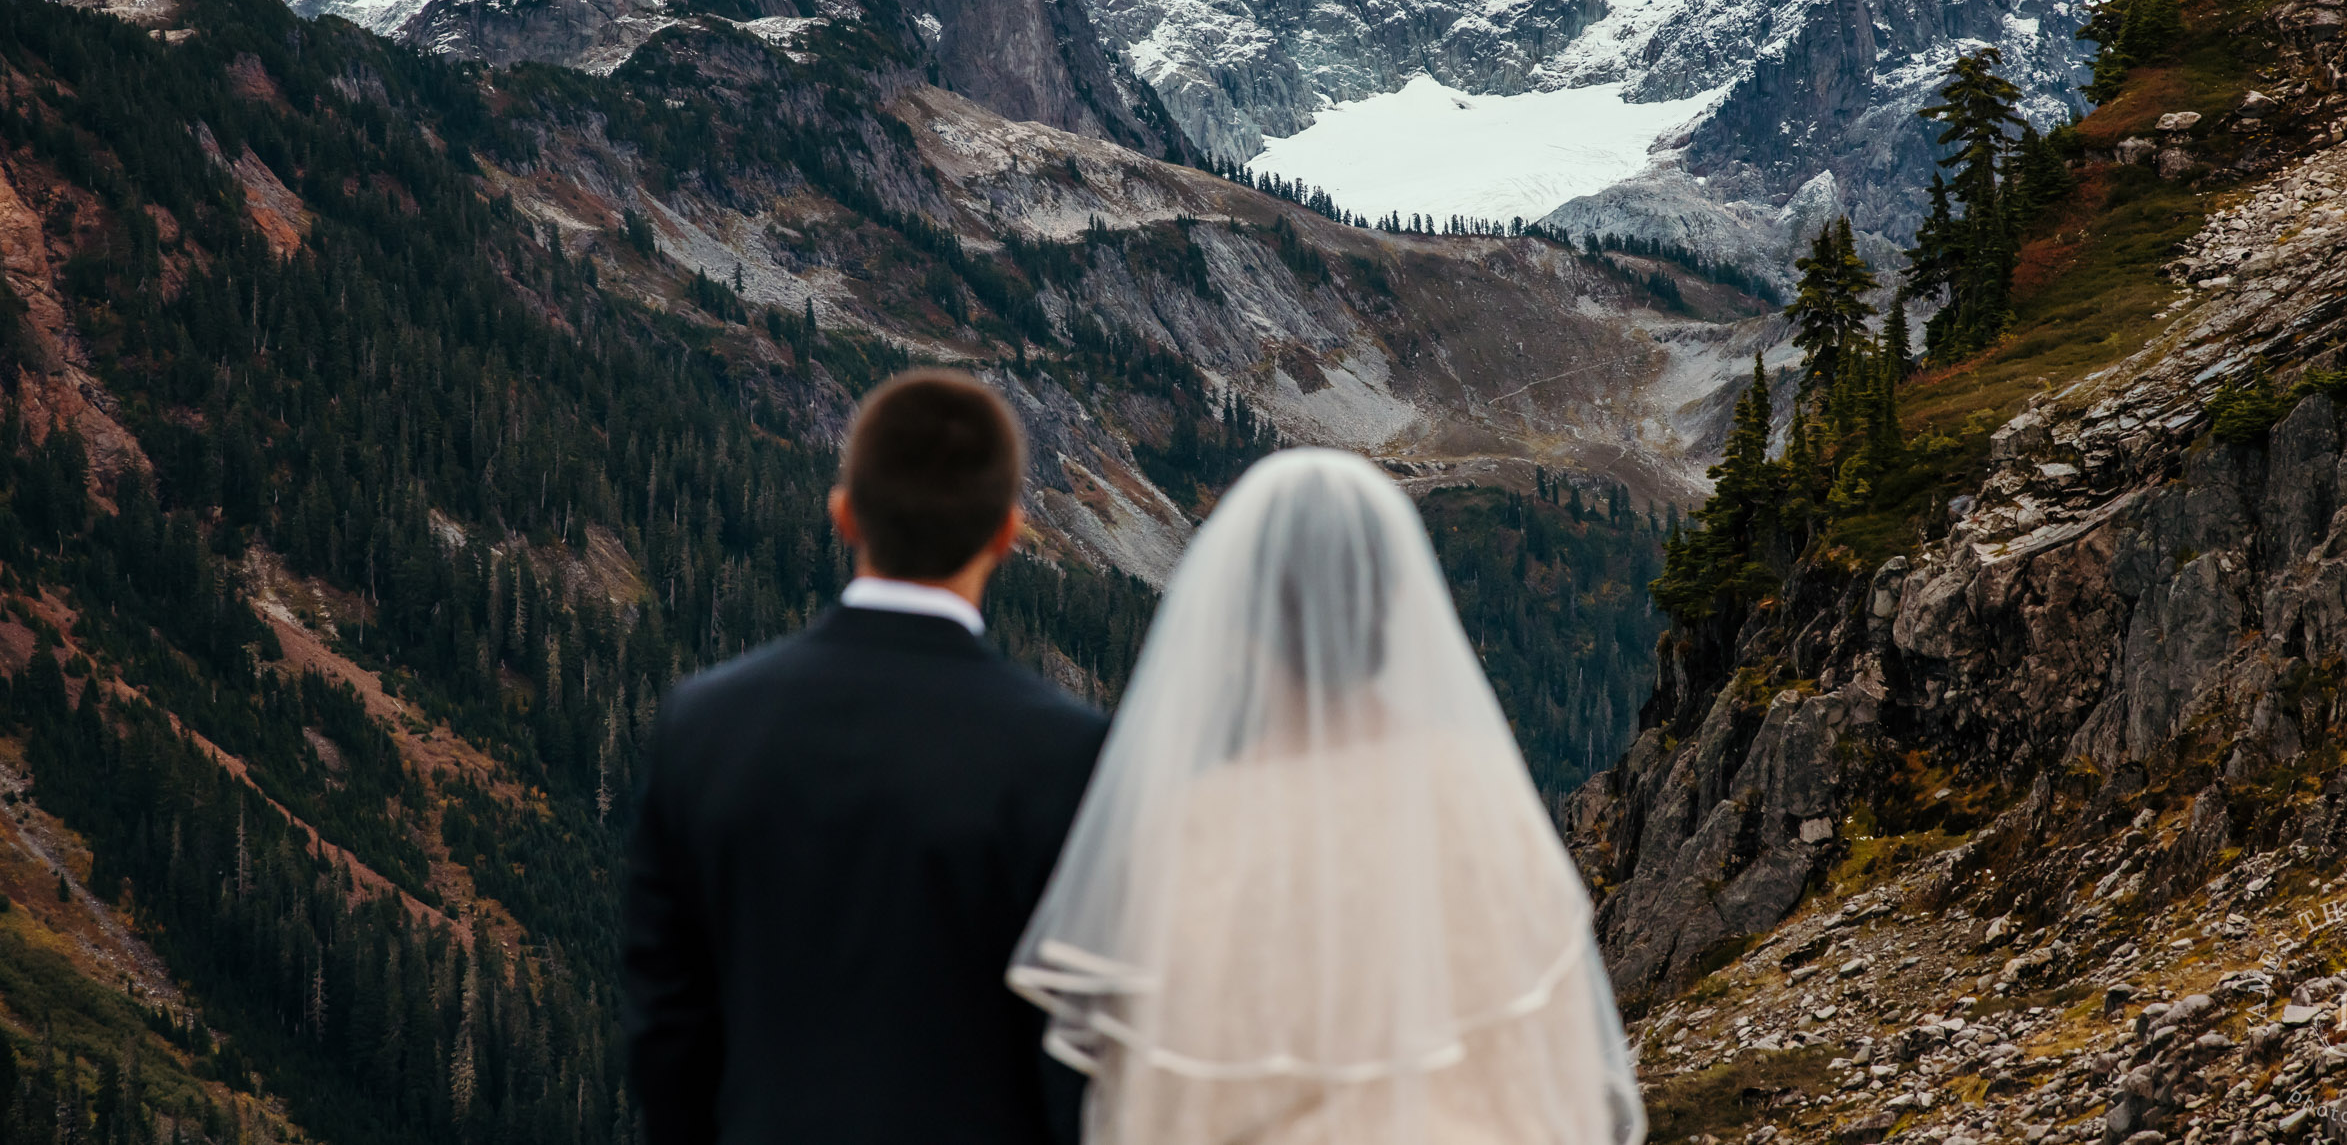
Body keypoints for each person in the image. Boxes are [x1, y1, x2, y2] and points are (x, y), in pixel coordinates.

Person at [1010, 447, 1643, 1145]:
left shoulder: (1191, 832)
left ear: (1240, 620)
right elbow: (1560, 1072)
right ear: (1400, 602)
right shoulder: (1478, 801)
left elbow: (1155, 1103)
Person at [625, 369, 1107, 1145]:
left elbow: (666, 1030)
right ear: (1006, 534)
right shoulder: (1071, 753)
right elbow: (1078, 1053)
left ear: (844, 515)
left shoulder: (703, 723)